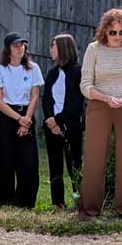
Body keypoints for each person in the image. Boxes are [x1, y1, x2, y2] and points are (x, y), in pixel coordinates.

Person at [78, 8, 122, 220]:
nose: (117, 36)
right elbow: (85, 85)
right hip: (100, 107)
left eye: (121, 32)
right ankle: (89, 210)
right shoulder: (94, 49)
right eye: (113, 32)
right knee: (94, 158)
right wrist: (106, 98)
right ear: (104, 31)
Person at [0, 33, 43, 208]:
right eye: (16, 45)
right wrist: (18, 118)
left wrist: (26, 119)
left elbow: (35, 96)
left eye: (22, 45)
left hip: (26, 113)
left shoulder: (33, 68)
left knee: (28, 162)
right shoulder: (0, 70)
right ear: (8, 49)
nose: (20, 48)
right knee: (3, 160)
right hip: (7, 116)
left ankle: (25, 203)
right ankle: (2, 201)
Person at [42, 33, 84, 209]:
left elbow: (77, 101)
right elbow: (46, 99)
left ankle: (80, 200)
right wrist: (50, 120)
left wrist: (59, 120)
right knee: (55, 164)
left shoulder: (77, 72)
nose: (51, 49)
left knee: (75, 164)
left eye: (53, 45)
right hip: (51, 127)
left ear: (63, 48)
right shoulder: (52, 73)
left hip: (71, 126)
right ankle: (57, 202)